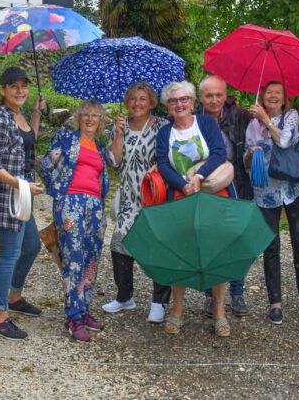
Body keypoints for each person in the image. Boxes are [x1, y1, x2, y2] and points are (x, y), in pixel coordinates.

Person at [156, 81, 235, 337]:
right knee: (181, 253)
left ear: (192, 102)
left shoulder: (207, 123)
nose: (179, 104)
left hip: (213, 193)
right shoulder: (164, 133)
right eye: (173, 101)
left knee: (218, 252)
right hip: (181, 196)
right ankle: (177, 310)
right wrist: (183, 184)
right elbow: (163, 165)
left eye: (183, 99)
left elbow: (219, 153)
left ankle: (220, 312)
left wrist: (198, 177)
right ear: (167, 107)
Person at [244, 80, 299, 325]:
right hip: (266, 191)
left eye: (278, 93)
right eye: (268, 92)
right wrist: (250, 155)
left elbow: (284, 141)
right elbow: (246, 160)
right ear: (262, 96)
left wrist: (266, 119)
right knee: (271, 247)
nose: (272, 96)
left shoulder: (292, 116)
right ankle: (275, 303)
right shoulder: (252, 125)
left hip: (295, 189)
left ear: (285, 98)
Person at [39, 99, 110, 342]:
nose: (90, 119)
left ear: (101, 121)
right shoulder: (67, 139)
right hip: (71, 202)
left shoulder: (99, 148)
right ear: (79, 117)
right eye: (86, 114)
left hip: (95, 206)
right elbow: (46, 165)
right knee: (73, 258)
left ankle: (84, 309)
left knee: (92, 258)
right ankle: (73, 316)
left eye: (96, 116)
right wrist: (58, 193)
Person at [0, 67, 46, 341]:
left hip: (23, 194)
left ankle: (14, 295)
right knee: (10, 254)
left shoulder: (18, 114)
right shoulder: (0, 119)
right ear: (2, 89)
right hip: (10, 196)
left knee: (31, 245)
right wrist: (21, 185)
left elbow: (28, 139)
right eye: (14, 87)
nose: (20, 91)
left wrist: (37, 113)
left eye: (24, 86)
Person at [101, 82, 171, 323]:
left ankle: (159, 302)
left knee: (157, 251)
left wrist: (159, 166)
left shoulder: (162, 126)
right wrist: (119, 134)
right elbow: (113, 161)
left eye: (142, 99)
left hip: (156, 198)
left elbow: (173, 156)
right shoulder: (119, 127)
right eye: (132, 99)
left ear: (151, 102)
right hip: (130, 199)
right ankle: (124, 296)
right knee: (118, 245)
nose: (137, 103)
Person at [195, 74, 251, 317]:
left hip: (236, 185)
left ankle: (237, 292)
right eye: (209, 95)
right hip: (205, 188)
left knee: (235, 241)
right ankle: (210, 296)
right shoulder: (192, 118)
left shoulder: (241, 116)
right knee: (207, 242)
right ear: (201, 97)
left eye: (219, 94)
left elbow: (256, 139)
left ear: (225, 95)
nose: (214, 100)